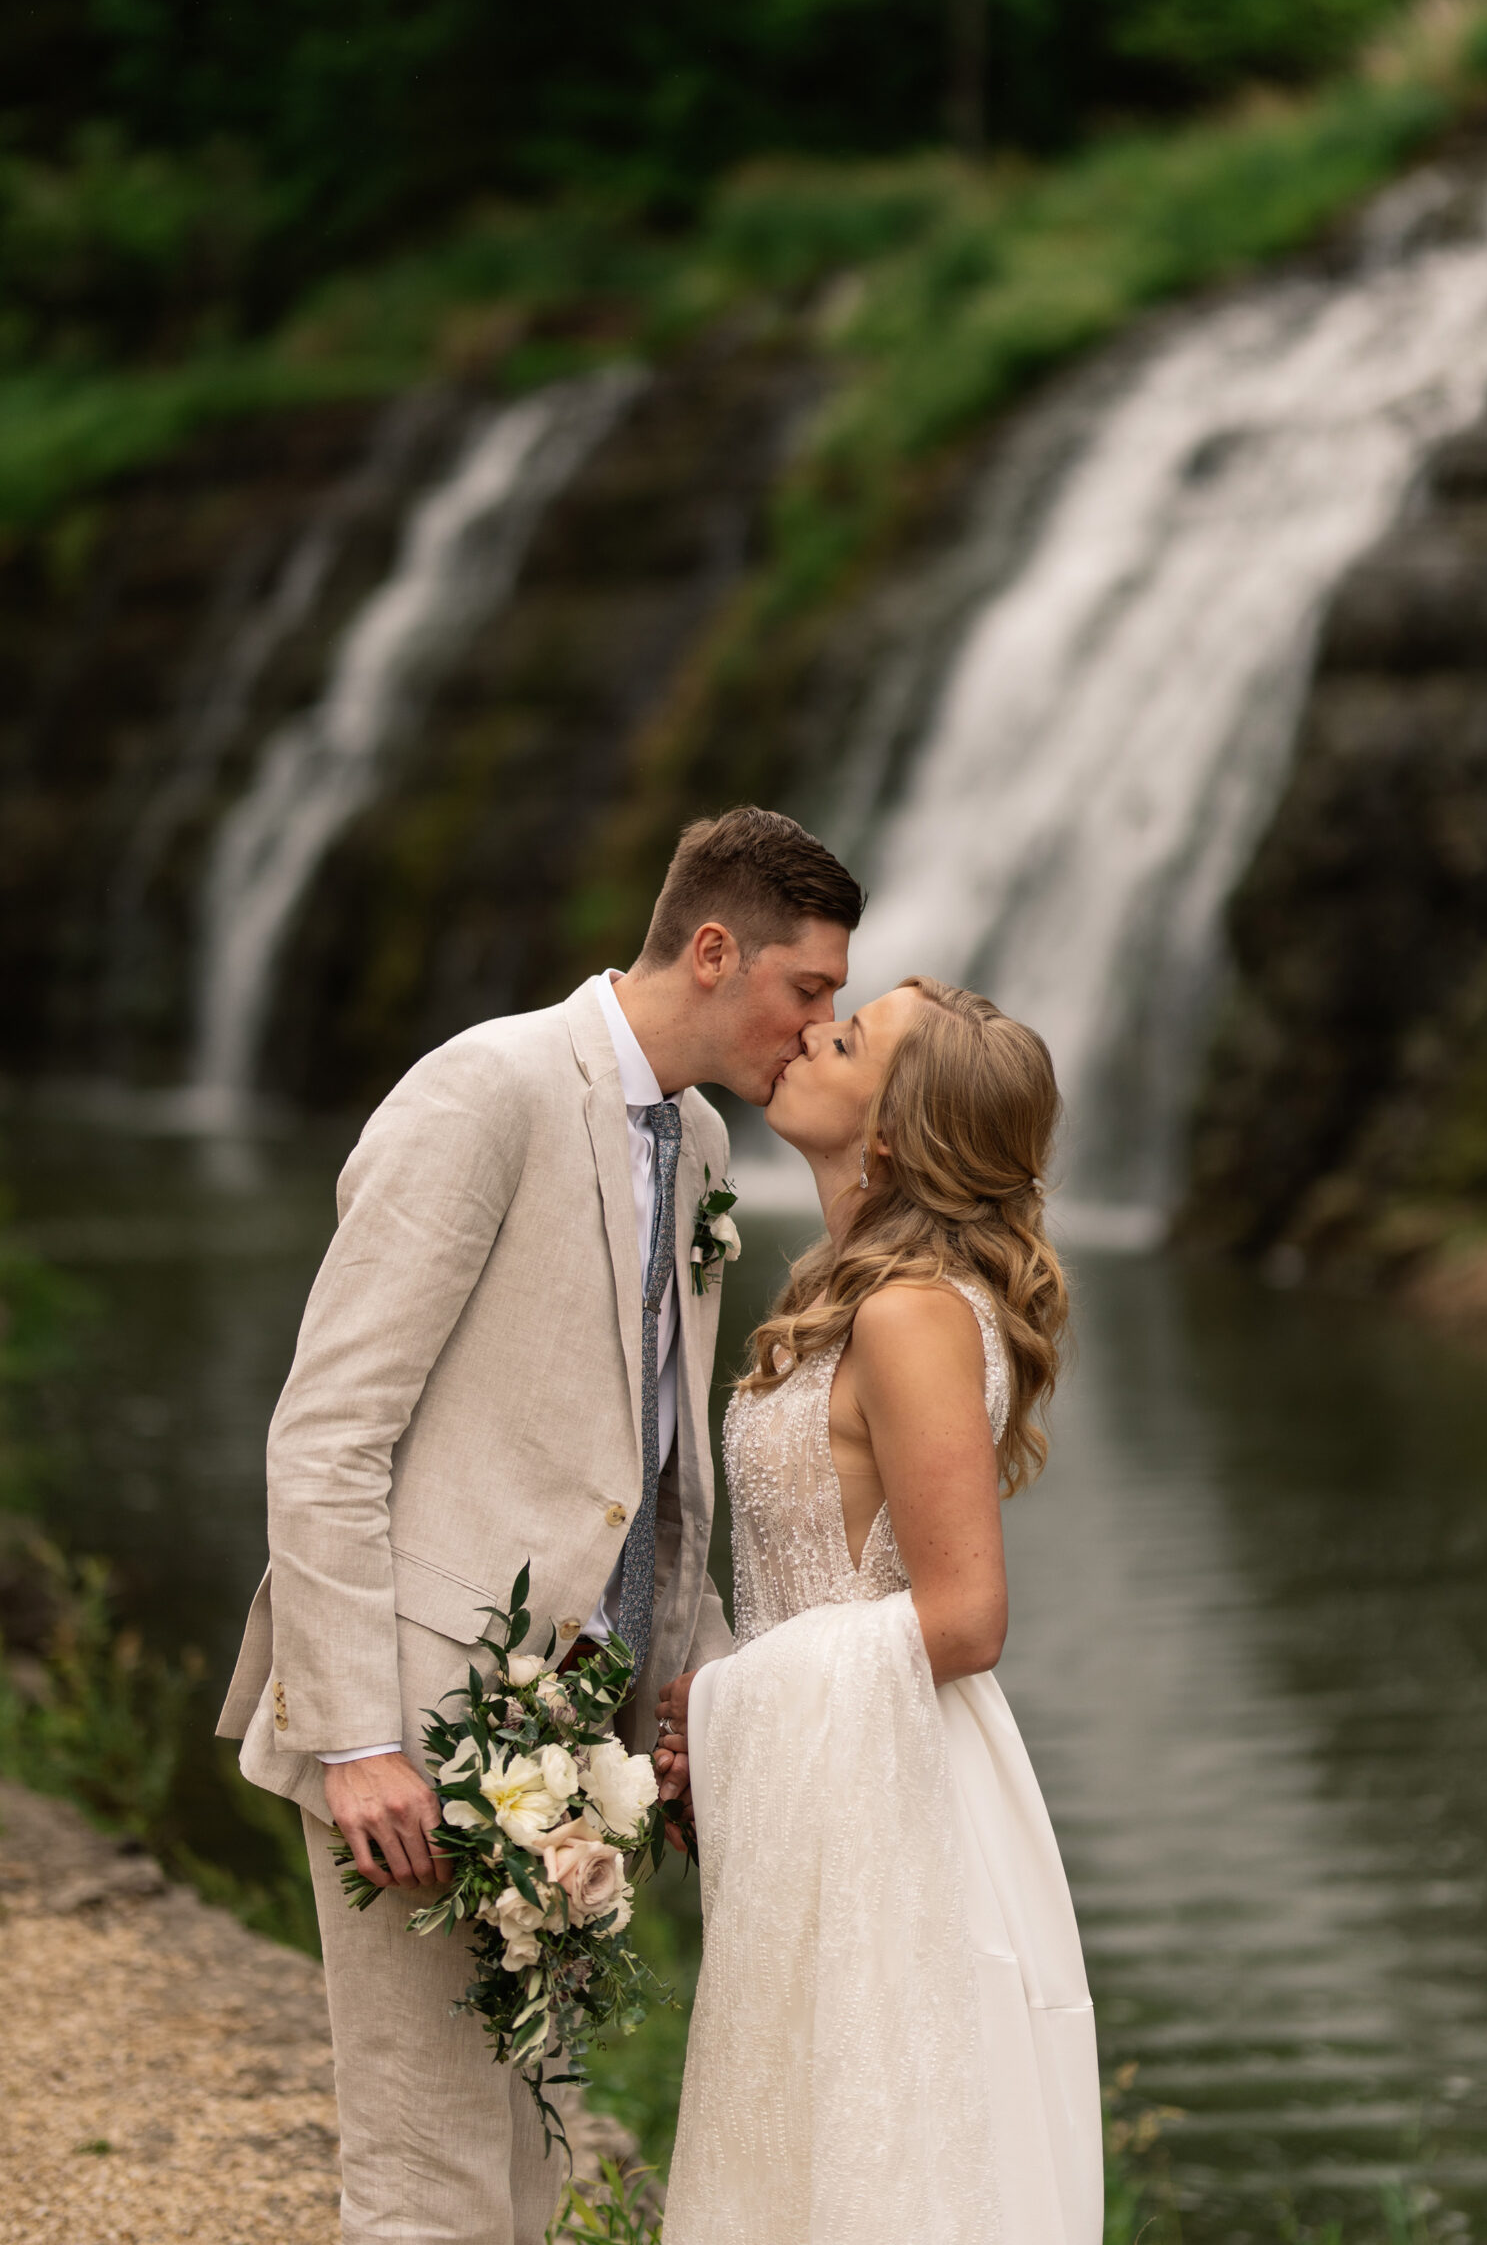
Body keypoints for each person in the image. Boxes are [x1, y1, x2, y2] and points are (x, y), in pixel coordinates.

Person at [216, 806, 864, 2245]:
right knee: (425, 2171)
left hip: (581, 1751)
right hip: (421, 1724)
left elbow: (654, 1464)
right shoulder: (484, 1089)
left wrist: (688, 1692)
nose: (825, 1028)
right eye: (807, 989)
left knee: (530, 2161)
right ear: (713, 949)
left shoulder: (695, 1145)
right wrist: (356, 1739)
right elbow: (326, 1432)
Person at [653, 976, 1102, 2245]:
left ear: (897, 1132)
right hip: (832, 1792)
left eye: (844, 1039)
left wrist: (732, 1699)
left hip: (900, 1812)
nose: (808, 1031)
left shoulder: (909, 1316)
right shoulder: (853, 1292)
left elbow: (964, 1619)